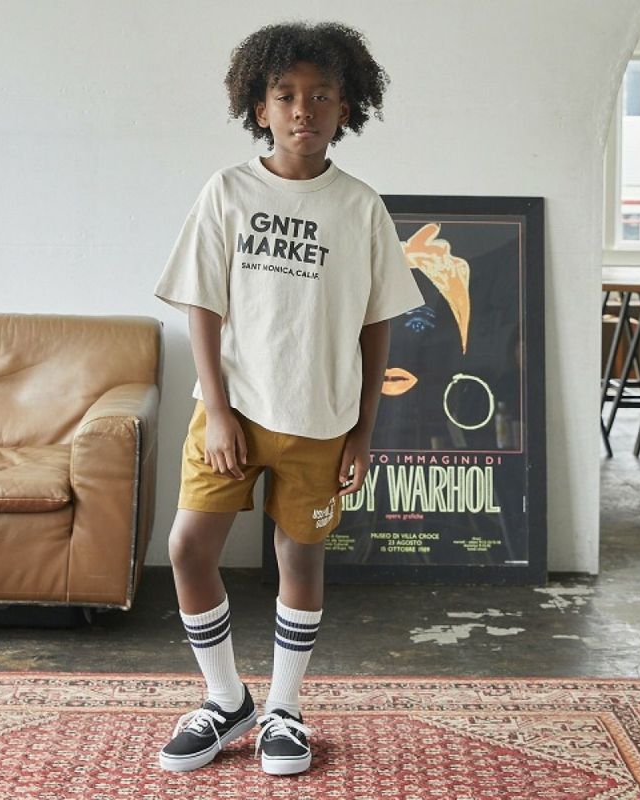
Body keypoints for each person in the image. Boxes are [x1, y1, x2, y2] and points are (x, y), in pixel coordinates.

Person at [153, 20, 424, 776]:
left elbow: (377, 325)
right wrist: (217, 411)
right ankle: (225, 699)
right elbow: (202, 306)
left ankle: (284, 708)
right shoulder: (228, 192)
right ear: (260, 107)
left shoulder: (361, 207)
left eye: (322, 95)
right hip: (231, 414)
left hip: (322, 419)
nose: (304, 108)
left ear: (346, 108)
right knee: (187, 548)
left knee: (298, 557)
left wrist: (364, 431)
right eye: (286, 95)